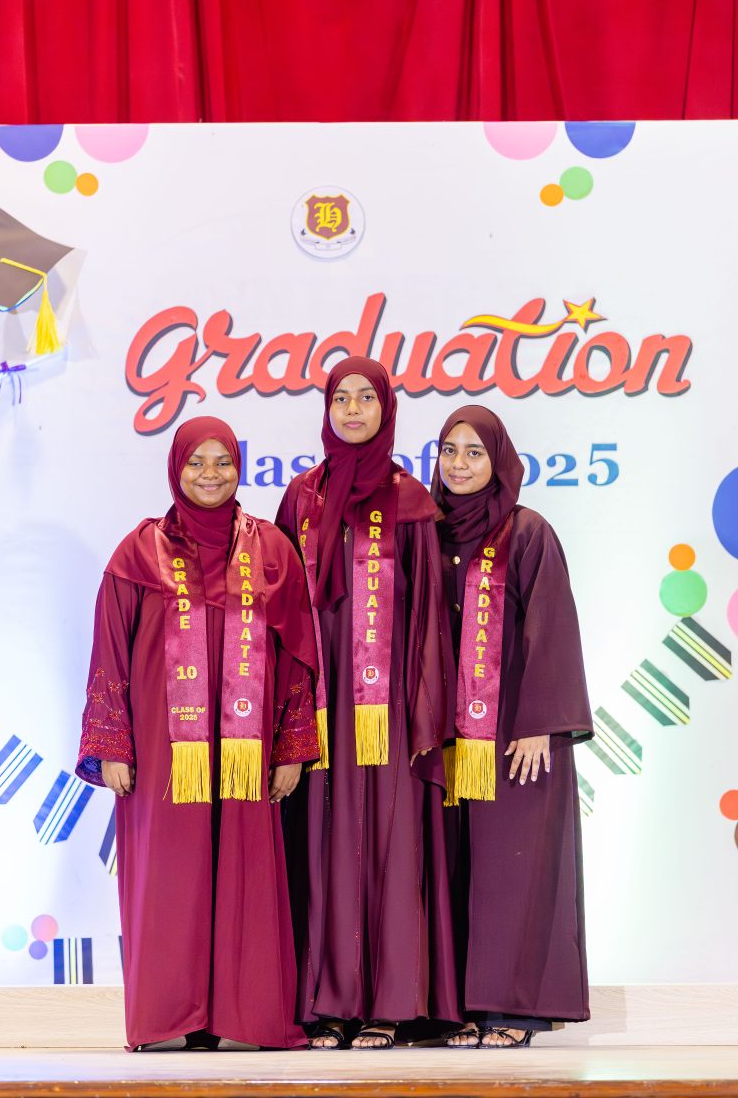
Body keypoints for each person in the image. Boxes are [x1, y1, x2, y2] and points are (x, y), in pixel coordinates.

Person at [76, 416, 319, 1051]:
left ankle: (240, 1015)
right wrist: (111, 746)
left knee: (244, 868)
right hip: (163, 749)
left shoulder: (272, 550)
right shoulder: (139, 552)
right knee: (171, 871)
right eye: (196, 462)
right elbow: (110, 653)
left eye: (223, 462)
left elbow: (299, 656)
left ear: (240, 467)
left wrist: (292, 747)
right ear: (175, 467)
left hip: (246, 746)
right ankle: (172, 1016)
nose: (210, 475)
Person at [276, 357, 458, 1050]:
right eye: (340, 399)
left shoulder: (411, 501)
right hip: (321, 708)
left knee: (389, 846)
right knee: (322, 848)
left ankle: (389, 1002)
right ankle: (326, 1002)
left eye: (365, 398)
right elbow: (278, 611)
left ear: (387, 408)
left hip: (389, 716)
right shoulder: (301, 499)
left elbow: (430, 614)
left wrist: (424, 714)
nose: (352, 410)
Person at [431, 406, 593, 1049]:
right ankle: (462, 1005)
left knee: (512, 871)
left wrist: (540, 723)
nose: (460, 464)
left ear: (499, 461)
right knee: (455, 870)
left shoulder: (527, 532)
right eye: (449, 450)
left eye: (475, 452)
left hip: (515, 736)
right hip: (445, 738)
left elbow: (551, 628)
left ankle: (513, 1008)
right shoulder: (427, 533)